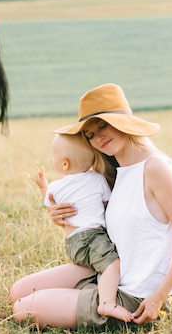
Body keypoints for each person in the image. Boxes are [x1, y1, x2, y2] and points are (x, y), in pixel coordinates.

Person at [10, 83, 172, 330]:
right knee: (18, 291)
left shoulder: (154, 168)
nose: (97, 137)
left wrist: (159, 296)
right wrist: (59, 215)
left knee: (23, 308)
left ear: (124, 121)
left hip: (133, 296)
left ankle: (105, 303)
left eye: (103, 125)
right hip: (107, 273)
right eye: (89, 134)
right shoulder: (116, 172)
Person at [35, 133, 133, 322]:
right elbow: (108, 203)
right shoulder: (97, 179)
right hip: (92, 238)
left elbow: (50, 204)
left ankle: (99, 298)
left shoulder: (56, 186)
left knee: (105, 265)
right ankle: (107, 303)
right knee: (112, 265)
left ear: (64, 163)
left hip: (72, 244)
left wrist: (43, 186)